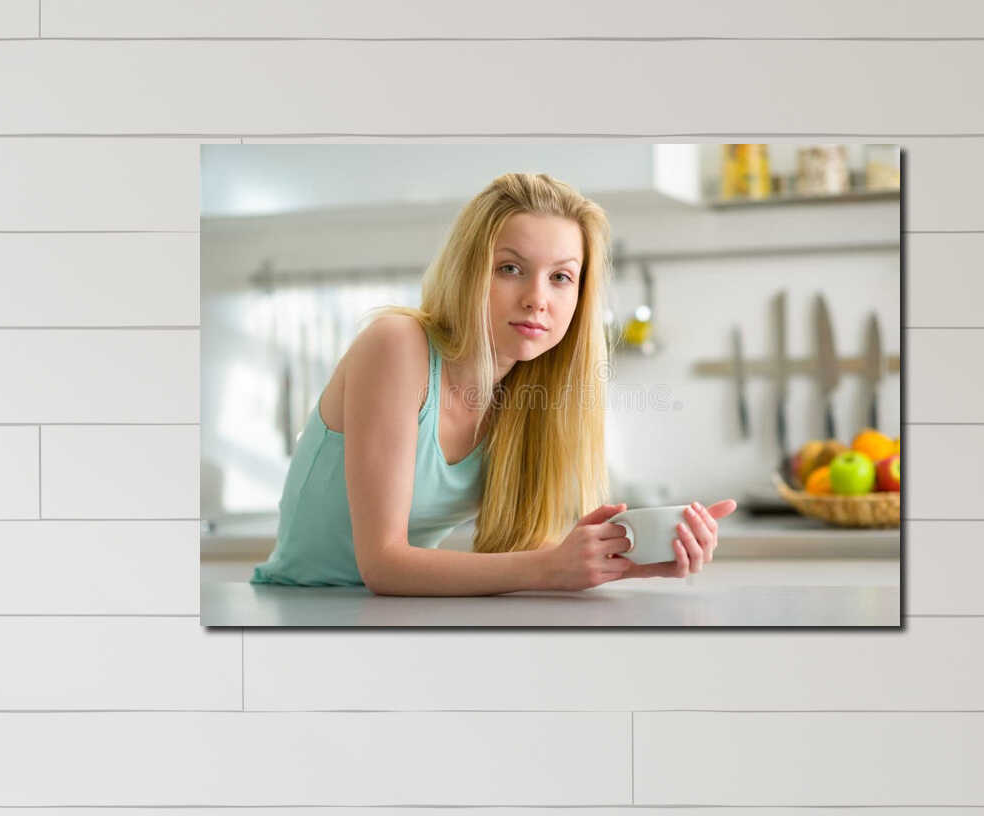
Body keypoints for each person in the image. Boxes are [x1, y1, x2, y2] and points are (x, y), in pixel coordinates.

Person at [250, 172, 736, 594]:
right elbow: (384, 565)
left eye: (561, 277)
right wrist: (551, 567)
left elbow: (515, 559)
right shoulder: (397, 346)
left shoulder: (531, 396)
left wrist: (628, 563)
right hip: (301, 609)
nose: (536, 299)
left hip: (400, 615)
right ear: (468, 272)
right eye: (510, 269)